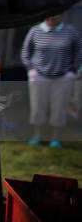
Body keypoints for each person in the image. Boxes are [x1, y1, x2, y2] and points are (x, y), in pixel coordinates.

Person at [21, 14, 82, 148]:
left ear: (61, 15)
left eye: (55, 14)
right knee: (37, 107)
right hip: (39, 76)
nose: (51, 17)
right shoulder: (35, 30)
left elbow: (79, 51)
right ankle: (37, 136)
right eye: (48, 15)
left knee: (59, 108)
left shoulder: (70, 31)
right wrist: (31, 70)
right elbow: (25, 52)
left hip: (62, 77)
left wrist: (72, 71)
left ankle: (55, 139)